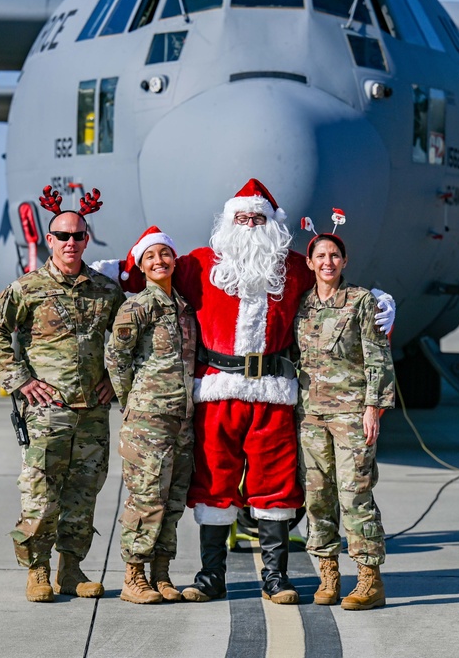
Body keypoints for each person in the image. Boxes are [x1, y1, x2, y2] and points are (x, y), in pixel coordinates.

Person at [109, 179, 396, 605]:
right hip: (216, 392)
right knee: (213, 482)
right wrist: (108, 274)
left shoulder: (295, 267)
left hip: (273, 394)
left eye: (257, 218)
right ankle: (211, 575)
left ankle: (276, 576)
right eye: (241, 217)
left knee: (276, 483)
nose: (248, 224)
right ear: (228, 221)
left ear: (272, 224)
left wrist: (377, 300)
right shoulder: (199, 264)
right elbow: (151, 276)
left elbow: (330, 281)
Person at [0, 185, 125, 603]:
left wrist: (115, 380)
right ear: (50, 240)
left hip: (93, 414)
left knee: (83, 495)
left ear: (87, 239)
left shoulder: (105, 290)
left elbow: (129, 340)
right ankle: (37, 570)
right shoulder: (27, 288)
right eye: (63, 235)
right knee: (40, 497)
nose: (71, 243)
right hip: (48, 413)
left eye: (78, 235)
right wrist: (20, 379)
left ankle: (73, 569)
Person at [294, 233, 395, 611]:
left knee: (355, 495)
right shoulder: (302, 305)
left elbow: (378, 357)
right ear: (309, 262)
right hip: (311, 415)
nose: (328, 262)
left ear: (345, 261)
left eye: (335, 255)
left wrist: (374, 408)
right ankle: (328, 575)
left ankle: (369, 579)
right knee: (318, 497)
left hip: (352, 414)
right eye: (320, 255)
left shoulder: (360, 301)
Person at [104, 227, 197, 605]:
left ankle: (161, 574)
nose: (159, 261)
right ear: (141, 266)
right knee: (146, 500)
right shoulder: (137, 306)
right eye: (151, 257)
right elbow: (116, 358)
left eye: (165, 254)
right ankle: (134, 576)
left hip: (182, 419)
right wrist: (132, 401)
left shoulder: (185, 307)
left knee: (173, 500)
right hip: (148, 420)